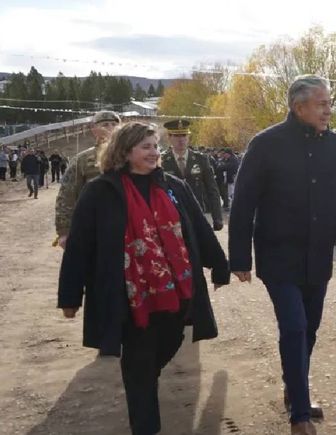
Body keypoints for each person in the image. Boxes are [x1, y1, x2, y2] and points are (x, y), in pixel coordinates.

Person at [57, 121, 230, 435]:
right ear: (125, 151)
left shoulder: (173, 186)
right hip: (129, 294)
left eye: (155, 146)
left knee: (168, 343)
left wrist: (219, 266)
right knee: (139, 358)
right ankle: (145, 424)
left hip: (176, 290)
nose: (154, 152)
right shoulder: (100, 192)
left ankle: (145, 377)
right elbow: (80, 247)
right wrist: (70, 296)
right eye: (145, 147)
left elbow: (197, 229)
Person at [228, 75, 336, 435]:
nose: (328, 110)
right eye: (322, 104)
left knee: (310, 329)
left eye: (329, 103)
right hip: (278, 256)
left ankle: (294, 385)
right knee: (294, 326)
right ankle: (300, 415)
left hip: (318, 255)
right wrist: (239, 258)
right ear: (298, 106)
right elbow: (243, 203)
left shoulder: (335, 146)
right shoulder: (266, 144)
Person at [56, 110, 121, 248]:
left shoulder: (131, 156)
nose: (110, 128)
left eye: (114, 124)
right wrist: (64, 231)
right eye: (105, 124)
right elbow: (67, 195)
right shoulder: (82, 160)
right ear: (94, 129)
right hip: (93, 227)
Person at [160, 119, 223, 231]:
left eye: (184, 135)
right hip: (172, 215)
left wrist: (217, 217)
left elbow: (212, 189)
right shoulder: (162, 161)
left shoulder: (201, 159)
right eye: (176, 136)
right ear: (169, 137)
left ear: (188, 137)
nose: (181, 139)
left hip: (197, 213)